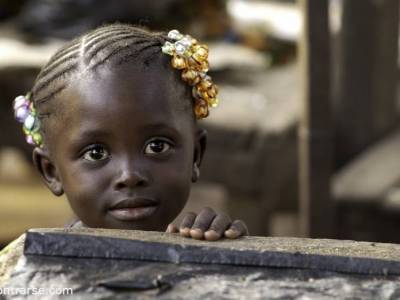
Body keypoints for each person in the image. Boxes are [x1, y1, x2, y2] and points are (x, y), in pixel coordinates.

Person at [12, 24, 248, 241]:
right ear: (51, 171)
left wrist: (228, 254)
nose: (130, 175)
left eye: (157, 146)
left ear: (195, 155)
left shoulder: (198, 240)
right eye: (96, 153)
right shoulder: (41, 273)